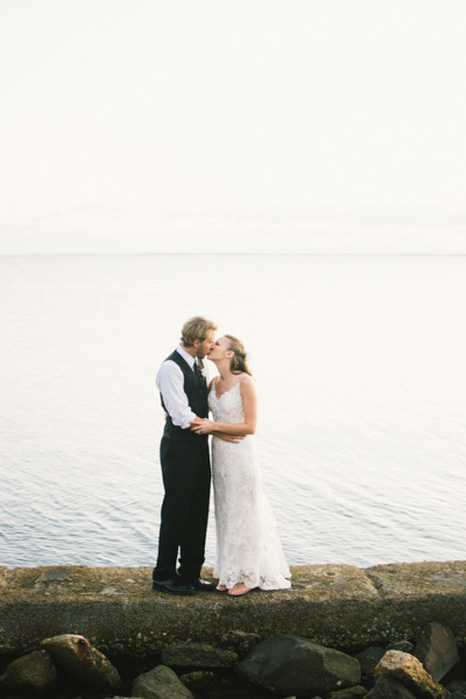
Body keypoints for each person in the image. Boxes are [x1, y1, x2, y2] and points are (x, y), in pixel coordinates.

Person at [190, 335, 291, 596]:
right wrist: (214, 430)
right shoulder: (213, 382)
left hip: (240, 455)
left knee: (243, 510)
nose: (211, 345)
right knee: (225, 511)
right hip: (220, 453)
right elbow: (207, 423)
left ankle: (250, 575)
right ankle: (230, 571)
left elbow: (250, 427)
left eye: (218, 344)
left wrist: (213, 426)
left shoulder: (245, 382)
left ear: (229, 354)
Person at [152, 315, 219, 595]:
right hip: (178, 447)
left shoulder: (198, 363)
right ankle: (163, 575)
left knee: (197, 510)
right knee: (176, 511)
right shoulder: (171, 368)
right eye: (210, 341)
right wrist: (218, 429)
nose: (212, 346)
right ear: (196, 342)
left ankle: (190, 572)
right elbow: (180, 415)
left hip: (198, 446)